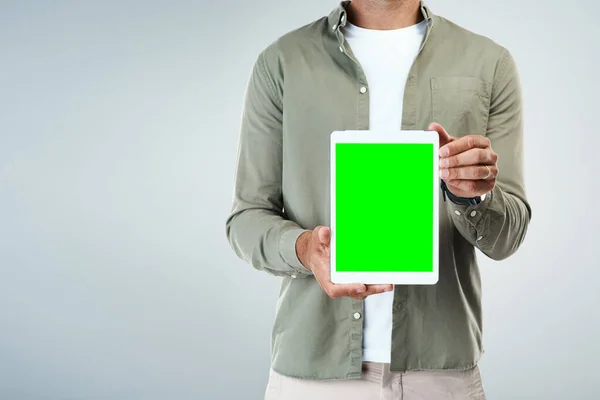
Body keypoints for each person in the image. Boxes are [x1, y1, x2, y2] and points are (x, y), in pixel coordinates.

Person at [225, 0, 531, 398]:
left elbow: (508, 235)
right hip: (311, 377)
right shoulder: (281, 62)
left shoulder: (489, 63)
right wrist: (304, 250)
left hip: (440, 378)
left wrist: (470, 197)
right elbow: (246, 218)